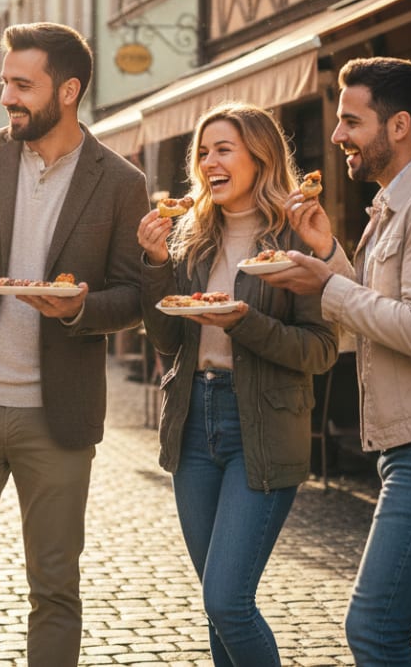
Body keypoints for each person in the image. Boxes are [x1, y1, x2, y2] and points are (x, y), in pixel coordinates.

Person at [0, 21, 149, 667]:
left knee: (55, 588)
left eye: (21, 84)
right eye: (5, 83)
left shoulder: (121, 182)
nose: (7, 97)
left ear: (67, 91)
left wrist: (77, 309)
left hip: (58, 415)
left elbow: (132, 297)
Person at [263, 56, 411, 665]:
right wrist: (329, 256)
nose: (338, 134)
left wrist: (327, 286)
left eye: (351, 120)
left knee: (373, 627)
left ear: (397, 127)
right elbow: (379, 319)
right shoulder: (398, 204)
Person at [137, 102, 336, 666]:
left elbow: (320, 351)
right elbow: (166, 338)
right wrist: (154, 262)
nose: (208, 163)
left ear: (260, 157)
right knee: (214, 604)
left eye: (223, 150)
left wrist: (244, 323)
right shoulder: (190, 238)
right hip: (193, 423)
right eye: (202, 152)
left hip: (263, 426)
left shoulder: (296, 239)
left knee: (228, 601)